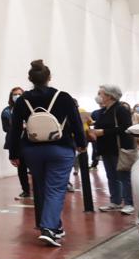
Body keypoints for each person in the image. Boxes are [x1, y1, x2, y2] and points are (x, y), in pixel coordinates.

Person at [6, 60, 87, 247]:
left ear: (30, 79)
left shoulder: (23, 100)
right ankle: (48, 228)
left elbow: (15, 128)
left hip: (32, 149)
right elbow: (75, 122)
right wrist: (81, 144)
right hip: (60, 147)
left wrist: (14, 153)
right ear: (49, 77)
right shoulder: (64, 97)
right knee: (56, 188)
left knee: (42, 187)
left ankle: (55, 226)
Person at [89, 85, 135, 215]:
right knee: (111, 176)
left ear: (109, 96)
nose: (99, 96)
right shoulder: (104, 111)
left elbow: (125, 128)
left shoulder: (121, 109)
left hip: (119, 148)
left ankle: (129, 203)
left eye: (101, 93)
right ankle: (115, 201)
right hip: (107, 148)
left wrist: (103, 132)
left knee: (123, 176)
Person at [1, 87, 32, 199]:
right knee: (21, 168)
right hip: (16, 143)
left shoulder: (30, 108)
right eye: (15, 94)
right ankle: (26, 190)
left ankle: (38, 189)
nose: (17, 96)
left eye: (19, 94)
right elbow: (5, 128)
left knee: (34, 167)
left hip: (30, 142)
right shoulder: (6, 111)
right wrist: (17, 127)